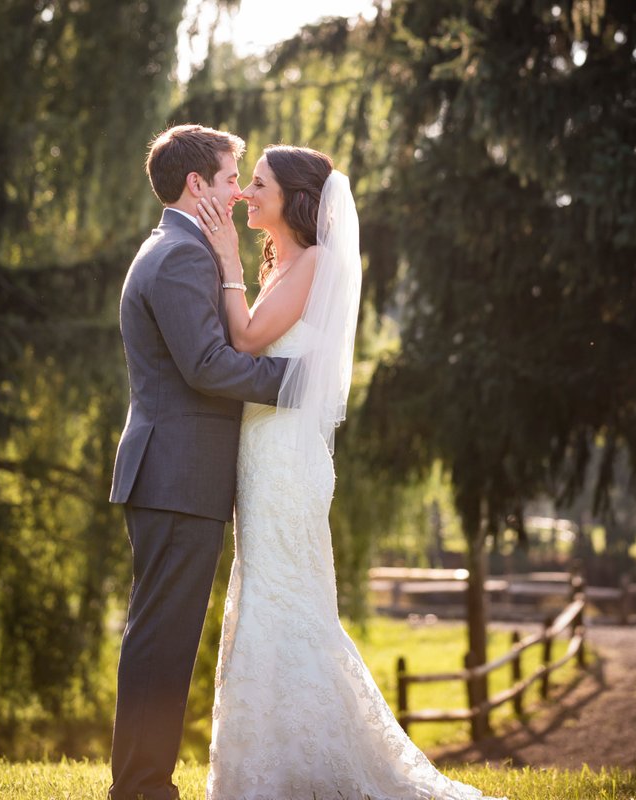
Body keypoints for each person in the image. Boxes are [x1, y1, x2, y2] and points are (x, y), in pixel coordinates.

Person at [196, 145, 507, 800]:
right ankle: (286, 760)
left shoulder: (311, 262)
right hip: (267, 451)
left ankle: (289, 765)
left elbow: (247, 341)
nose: (248, 195)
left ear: (295, 198)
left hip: (284, 458)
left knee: (283, 598)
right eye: (246, 183)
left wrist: (225, 257)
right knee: (272, 594)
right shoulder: (285, 260)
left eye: (259, 184)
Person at [108, 124, 288, 800]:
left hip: (175, 476)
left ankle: (140, 783)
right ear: (196, 184)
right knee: (162, 638)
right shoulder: (180, 257)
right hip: (177, 476)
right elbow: (208, 365)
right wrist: (295, 383)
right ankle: (143, 788)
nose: (238, 190)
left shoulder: (179, 247)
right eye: (227, 177)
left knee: (162, 635)